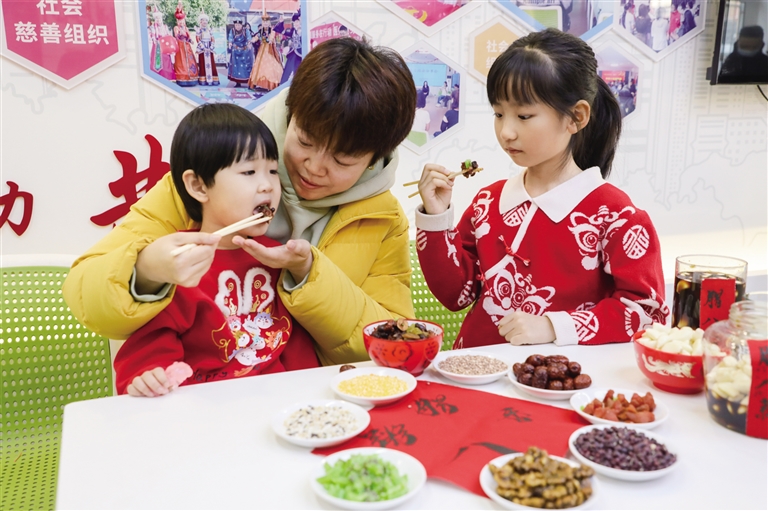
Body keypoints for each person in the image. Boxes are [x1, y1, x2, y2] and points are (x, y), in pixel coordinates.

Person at [62, 37, 417, 366]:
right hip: (204, 393)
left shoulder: (381, 217)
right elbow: (85, 293)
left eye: (342, 160)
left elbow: (394, 340)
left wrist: (310, 275)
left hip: (315, 397)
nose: (314, 167)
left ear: (373, 160)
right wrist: (145, 271)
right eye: (305, 141)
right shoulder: (210, 179)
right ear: (290, 115)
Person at [413, 28, 666, 349]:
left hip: (564, 376)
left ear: (576, 117)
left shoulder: (617, 216)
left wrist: (553, 326)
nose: (506, 131)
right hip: (475, 368)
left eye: (523, 115)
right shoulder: (487, 201)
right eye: (499, 113)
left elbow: (647, 313)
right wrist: (436, 218)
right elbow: (457, 295)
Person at [115, 104, 316, 397]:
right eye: (249, 171)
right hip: (203, 408)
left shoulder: (277, 257)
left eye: (273, 171)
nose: (267, 186)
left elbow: (295, 347)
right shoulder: (176, 262)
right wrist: (148, 378)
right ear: (199, 186)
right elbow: (149, 350)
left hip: (276, 403)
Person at [248, 11, 284, 91]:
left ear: (269, 22)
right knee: (259, 66)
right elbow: (256, 37)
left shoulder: (272, 30)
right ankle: (259, 84)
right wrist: (251, 41)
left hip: (270, 50)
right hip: (262, 50)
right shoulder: (261, 31)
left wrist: (269, 40)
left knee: (272, 66)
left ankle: (271, 83)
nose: (265, 23)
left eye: (266, 22)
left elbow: (271, 38)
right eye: (264, 22)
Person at [172, 1, 198, 87]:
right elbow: (177, 36)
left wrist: (191, 41)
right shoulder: (176, 28)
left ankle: (191, 77)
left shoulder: (186, 28)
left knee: (190, 61)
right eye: (179, 21)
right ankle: (182, 78)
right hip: (180, 47)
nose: (181, 22)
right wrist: (180, 33)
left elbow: (188, 37)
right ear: (177, 21)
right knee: (181, 62)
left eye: (182, 20)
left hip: (187, 46)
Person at [148, 7, 176, 81]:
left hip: (165, 45)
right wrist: (154, 39)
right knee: (158, 61)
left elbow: (168, 35)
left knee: (166, 60)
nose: (158, 20)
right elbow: (153, 36)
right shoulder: (153, 27)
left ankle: (167, 76)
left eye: (159, 18)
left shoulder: (165, 26)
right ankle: (157, 76)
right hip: (157, 45)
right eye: (156, 18)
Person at [196, 11, 220, 86]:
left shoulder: (209, 30)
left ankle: (213, 80)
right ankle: (203, 80)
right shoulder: (199, 30)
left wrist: (211, 46)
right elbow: (197, 39)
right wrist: (203, 47)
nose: (205, 22)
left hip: (209, 48)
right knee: (202, 64)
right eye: (203, 20)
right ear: (200, 22)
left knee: (211, 63)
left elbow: (212, 38)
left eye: (206, 20)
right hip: (202, 49)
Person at [227, 19, 253, 87]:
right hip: (235, 51)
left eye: (239, 25)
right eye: (236, 25)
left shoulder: (246, 30)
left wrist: (249, 43)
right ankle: (237, 82)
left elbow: (249, 38)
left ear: (241, 25)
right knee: (236, 67)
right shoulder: (232, 30)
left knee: (246, 66)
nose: (237, 26)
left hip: (245, 51)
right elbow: (230, 38)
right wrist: (230, 43)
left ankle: (248, 81)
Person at [279, 13, 302, 85]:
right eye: (294, 22)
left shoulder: (305, 30)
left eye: (297, 22)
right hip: (292, 52)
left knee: (297, 71)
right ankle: (282, 85)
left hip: (300, 54)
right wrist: (281, 23)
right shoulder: (293, 31)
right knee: (287, 70)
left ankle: (297, 86)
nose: (295, 23)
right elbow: (283, 32)